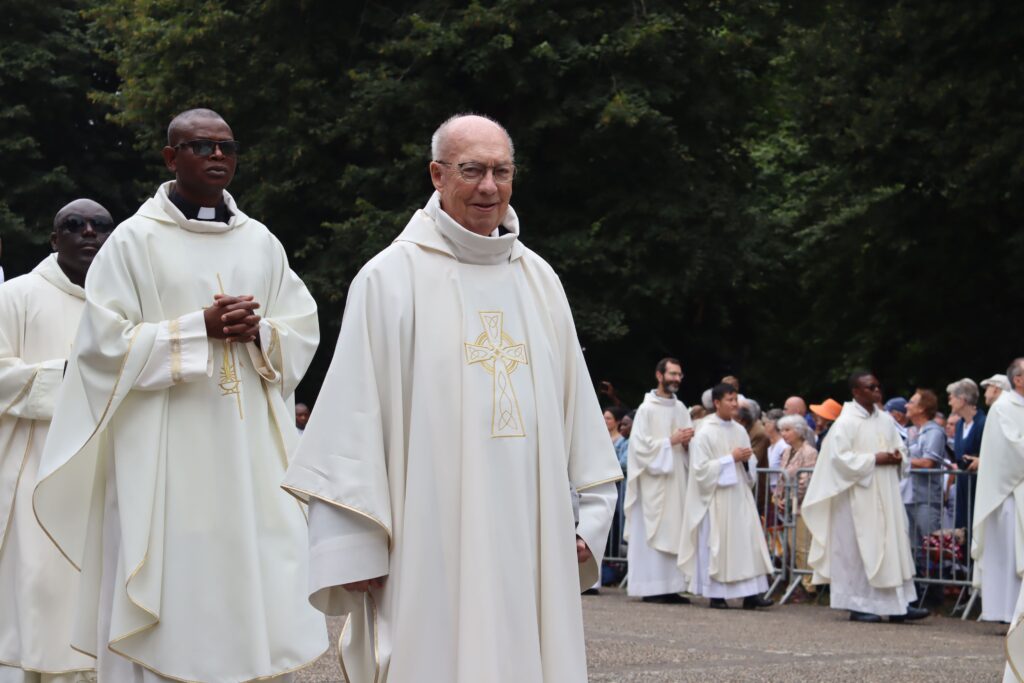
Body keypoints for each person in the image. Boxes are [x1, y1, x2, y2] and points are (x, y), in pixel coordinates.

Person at [281, 114, 621, 683]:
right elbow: (352, 419)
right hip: (429, 531)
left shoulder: (539, 280)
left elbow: (578, 410)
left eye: (501, 172)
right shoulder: (390, 279)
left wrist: (590, 517)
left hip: (532, 528)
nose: (489, 186)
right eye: (472, 170)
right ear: (437, 175)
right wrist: (353, 545)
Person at [33, 109, 327, 682]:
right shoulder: (133, 243)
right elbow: (100, 349)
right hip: (163, 455)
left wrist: (260, 332)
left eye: (227, 146)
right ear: (171, 158)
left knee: (250, 571)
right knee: (172, 581)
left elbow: (301, 330)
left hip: (246, 456)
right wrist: (198, 329)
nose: (217, 155)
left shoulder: (261, 242)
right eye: (200, 146)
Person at [0, 199, 114, 683]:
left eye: (100, 226)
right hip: (35, 471)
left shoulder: (124, 303)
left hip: (108, 473)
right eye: (74, 224)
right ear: (54, 239)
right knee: (42, 592)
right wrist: (67, 379)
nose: (88, 233)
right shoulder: (16, 296)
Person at [802, 372, 928, 623]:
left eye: (878, 386)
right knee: (858, 549)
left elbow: (901, 447)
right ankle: (857, 603)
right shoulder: (845, 423)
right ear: (856, 392)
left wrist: (898, 457)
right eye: (870, 387)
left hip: (886, 493)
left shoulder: (885, 420)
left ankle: (899, 604)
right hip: (857, 496)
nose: (877, 390)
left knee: (891, 545)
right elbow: (838, 460)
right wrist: (874, 459)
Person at [679, 383, 774, 609]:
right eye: (729, 400)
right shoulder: (704, 431)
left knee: (747, 543)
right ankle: (717, 594)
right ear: (717, 403)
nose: (734, 404)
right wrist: (731, 458)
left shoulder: (740, 430)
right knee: (718, 545)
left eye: (735, 400)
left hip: (739, 494)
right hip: (717, 497)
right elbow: (700, 470)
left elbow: (749, 462)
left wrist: (746, 460)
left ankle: (751, 593)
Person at [623, 358, 693, 604]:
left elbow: (689, 448)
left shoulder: (681, 408)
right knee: (650, 534)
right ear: (659, 375)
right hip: (651, 484)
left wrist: (688, 444)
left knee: (675, 530)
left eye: (679, 374)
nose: (676, 379)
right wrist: (669, 442)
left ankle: (672, 587)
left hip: (676, 481)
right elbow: (639, 449)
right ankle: (651, 587)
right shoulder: (646, 409)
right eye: (672, 374)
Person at [971, 359, 1024, 624]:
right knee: (1009, 555)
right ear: (1018, 379)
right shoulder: (1003, 408)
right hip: (1008, 495)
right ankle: (1006, 613)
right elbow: (1011, 451)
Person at [772, 414, 818, 599]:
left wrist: (791, 500)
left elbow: (805, 481)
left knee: (802, 545)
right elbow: (782, 477)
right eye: (782, 430)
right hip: (787, 506)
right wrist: (777, 497)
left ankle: (809, 585)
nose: (783, 434)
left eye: (787, 430)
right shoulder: (786, 451)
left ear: (799, 431)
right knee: (791, 545)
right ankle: (797, 580)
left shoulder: (809, 452)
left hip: (801, 506)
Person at [904, 389, 946, 576]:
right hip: (910, 497)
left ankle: (937, 586)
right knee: (914, 547)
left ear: (922, 408)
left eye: (911, 402)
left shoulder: (934, 432)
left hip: (926, 499)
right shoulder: (913, 432)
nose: (907, 405)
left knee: (931, 545)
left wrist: (902, 460)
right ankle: (920, 586)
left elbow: (928, 462)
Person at [948, 377, 985, 548]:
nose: (949, 402)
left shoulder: (983, 423)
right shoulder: (960, 425)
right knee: (963, 531)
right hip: (963, 486)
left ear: (962, 399)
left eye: (951, 398)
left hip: (979, 487)